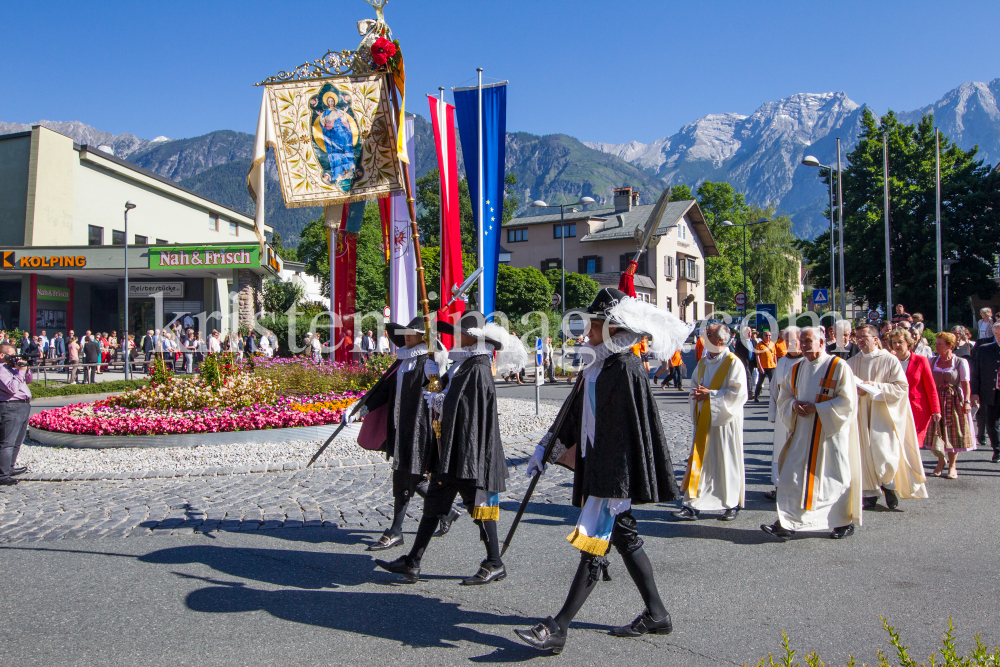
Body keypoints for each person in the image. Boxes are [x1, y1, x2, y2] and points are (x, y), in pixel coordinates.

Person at [515, 288, 689, 654]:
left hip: (613, 476)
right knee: (626, 539)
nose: (585, 332)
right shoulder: (599, 364)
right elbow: (574, 414)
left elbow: (629, 434)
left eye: (592, 325)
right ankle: (657, 613)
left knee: (593, 545)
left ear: (610, 328)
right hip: (600, 467)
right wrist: (546, 448)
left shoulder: (625, 368)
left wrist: (620, 487)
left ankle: (558, 626)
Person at [376, 312, 511, 586]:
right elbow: (441, 393)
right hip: (450, 453)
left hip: (468, 453)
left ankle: (495, 561)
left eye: (460, 333)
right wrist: (433, 380)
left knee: (480, 507)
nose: (455, 337)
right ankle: (413, 562)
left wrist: (439, 398)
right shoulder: (463, 365)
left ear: (471, 338)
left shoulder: (479, 368)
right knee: (434, 504)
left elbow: (468, 413)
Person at [350, 316, 459, 551]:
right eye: (405, 333)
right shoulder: (402, 361)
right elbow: (385, 390)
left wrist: (435, 372)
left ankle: (396, 531)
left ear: (423, 337)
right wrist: (360, 409)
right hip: (400, 426)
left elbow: (437, 394)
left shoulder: (430, 359)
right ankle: (447, 511)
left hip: (419, 428)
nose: (406, 336)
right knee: (414, 476)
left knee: (404, 475)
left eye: (412, 333)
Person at [761, 326, 861, 542]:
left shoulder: (837, 367)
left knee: (832, 478)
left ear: (822, 343)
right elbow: (784, 395)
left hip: (829, 434)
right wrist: (793, 405)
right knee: (794, 477)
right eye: (801, 342)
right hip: (802, 432)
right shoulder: (797, 368)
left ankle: (842, 521)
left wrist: (818, 408)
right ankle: (788, 523)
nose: (803, 346)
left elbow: (848, 402)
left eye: (807, 341)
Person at [847, 324, 928, 510]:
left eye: (864, 336)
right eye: (857, 336)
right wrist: (854, 390)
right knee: (863, 452)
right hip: (860, 413)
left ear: (876, 339)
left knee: (883, 452)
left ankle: (889, 486)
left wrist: (875, 386)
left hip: (883, 413)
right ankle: (870, 493)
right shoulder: (851, 363)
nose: (860, 340)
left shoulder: (890, 360)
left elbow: (901, 387)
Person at [673, 322, 748, 522]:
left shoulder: (733, 363)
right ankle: (692, 505)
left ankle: (731, 504)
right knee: (700, 461)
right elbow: (695, 387)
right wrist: (698, 395)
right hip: (704, 420)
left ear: (720, 340)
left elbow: (739, 394)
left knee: (726, 461)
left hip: (725, 423)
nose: (703, 339)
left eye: (708, 335)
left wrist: (711, 395)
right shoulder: (703, 363)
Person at [929, 332, 976, 477]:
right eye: (936, 344)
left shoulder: (960, 362)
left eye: (940, 344)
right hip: (936, 399)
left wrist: (967, 401)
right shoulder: (932, 361)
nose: (936, 346)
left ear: (950, 346)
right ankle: (941, 461)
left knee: (953, 432)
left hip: (953, 399)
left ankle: (952, 466)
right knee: (938, 431)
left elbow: (965, 384)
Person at [887, 328, 941, 453]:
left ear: (908, 343)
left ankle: (914, 471)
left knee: (912, 446)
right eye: (894, 342)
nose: (897, 345)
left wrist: (936, 410)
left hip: (917, 410)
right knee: (895, 444)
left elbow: (931, 387)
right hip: (894, 407)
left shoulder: (920, 360)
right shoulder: (889, 360)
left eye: (900, 342)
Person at [765, 327, 804, 501]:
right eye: (786, 341)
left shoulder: (808, 362)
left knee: (800, 451)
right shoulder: (781, 361)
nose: (789, 344)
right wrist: (772, 413)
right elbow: (774, 389)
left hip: (802, 413)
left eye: (792, 341)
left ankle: (799, 486)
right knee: (780, 450)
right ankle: (779, 484)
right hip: (783, 411)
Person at [0, 343, 32, 486]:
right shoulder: (1, 370)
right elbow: (12, 388)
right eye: (12, 355)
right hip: (10, 406)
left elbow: (28, 380)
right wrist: (20, 372)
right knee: (7, 442)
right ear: (3, 355)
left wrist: (25, 369)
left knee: (17, 441)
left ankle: (9, 468)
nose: (14, 358)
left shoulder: (11, 368)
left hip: (23, 405)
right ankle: (3, 474)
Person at [753, 330, 777, 403]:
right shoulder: (759, 345)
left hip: (771, 366)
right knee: (760, 382)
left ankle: (773, 397)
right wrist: (760, 367)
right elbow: (757, 356)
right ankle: (756, 396)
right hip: (763, 367)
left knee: (772, 383)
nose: (768, 337)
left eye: (769, 335)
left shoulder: (772, 344)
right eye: (766, 335)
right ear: (763, 336)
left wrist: (776, 364)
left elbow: (774, 355)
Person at [733, 326, 755, 392]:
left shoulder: (753, 341)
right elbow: (737, 352)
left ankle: (746, 389)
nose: (749, 333)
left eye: (750, 332)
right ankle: (750, 391)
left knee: (750, 376)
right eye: (748, 332)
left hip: (752, 362)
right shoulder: (740, 341)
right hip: (744, 361)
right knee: (748, 377)